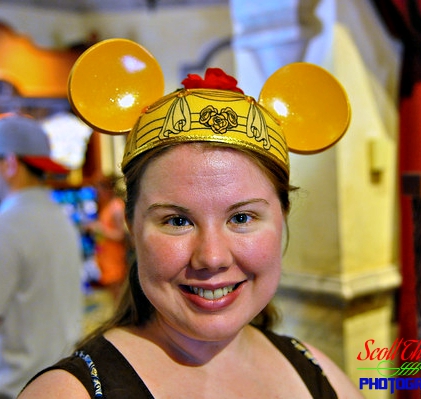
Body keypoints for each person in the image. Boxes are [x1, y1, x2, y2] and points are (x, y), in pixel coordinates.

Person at [19, 40, 363, 398]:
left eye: (242, 217)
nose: (212, 258)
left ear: (283, 217)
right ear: (131, 226)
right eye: (177, 221)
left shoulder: (320, 375)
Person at [0, 114, 84, 399]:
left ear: (10, 163)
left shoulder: (7, 224)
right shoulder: (60, 218)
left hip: (16, 388)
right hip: (63, 380)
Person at [85, 175, 128, 303]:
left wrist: (100, 230)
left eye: (97, 189)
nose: (96, 193)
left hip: (115, 258)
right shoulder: (106, 206)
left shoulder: (116, 207)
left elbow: (121, 235)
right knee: (112, 293)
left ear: (107, 189)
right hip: (106, 256)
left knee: (118, 294)